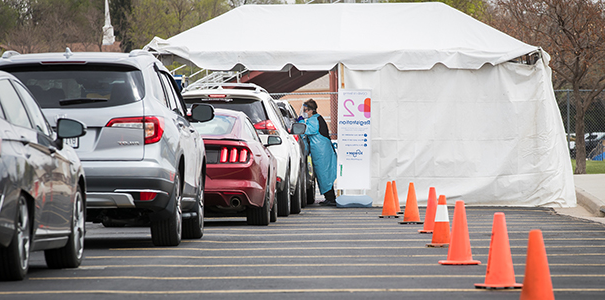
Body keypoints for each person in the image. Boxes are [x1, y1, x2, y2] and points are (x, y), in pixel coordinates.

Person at [299, 99, 337, 206]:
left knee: (324, 175)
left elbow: (309, 130)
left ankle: (331, 199)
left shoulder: (314, 120)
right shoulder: (316, 118)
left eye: (306, 110)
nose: (304, 112)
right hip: (321, 152)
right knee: (323, 175)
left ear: (311, 110)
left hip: (322, 152)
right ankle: (329, 197)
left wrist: (301, 122)